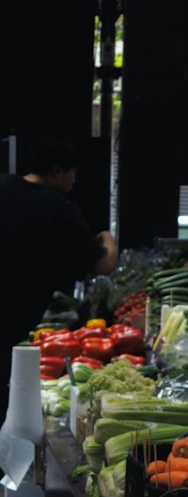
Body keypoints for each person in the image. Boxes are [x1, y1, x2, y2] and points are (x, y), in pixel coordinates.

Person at [0, 138, 118, 424]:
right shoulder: (59, 209)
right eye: (72, 172)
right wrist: (108, 237)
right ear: (56, 171)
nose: (74, 180)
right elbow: (104, 264)